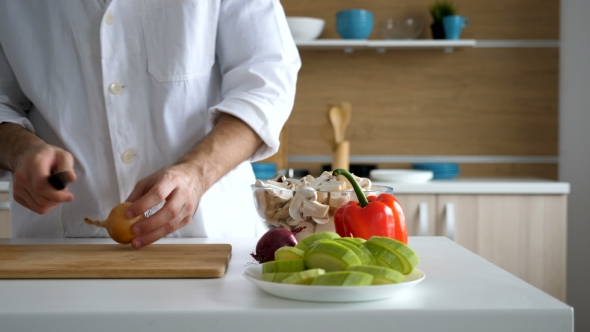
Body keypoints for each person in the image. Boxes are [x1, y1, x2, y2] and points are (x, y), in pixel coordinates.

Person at [0, 1, 300, 248]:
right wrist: (20, 149)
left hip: (211, 239)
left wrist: (197, 172)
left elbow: (267, 80)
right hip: (55, 246)